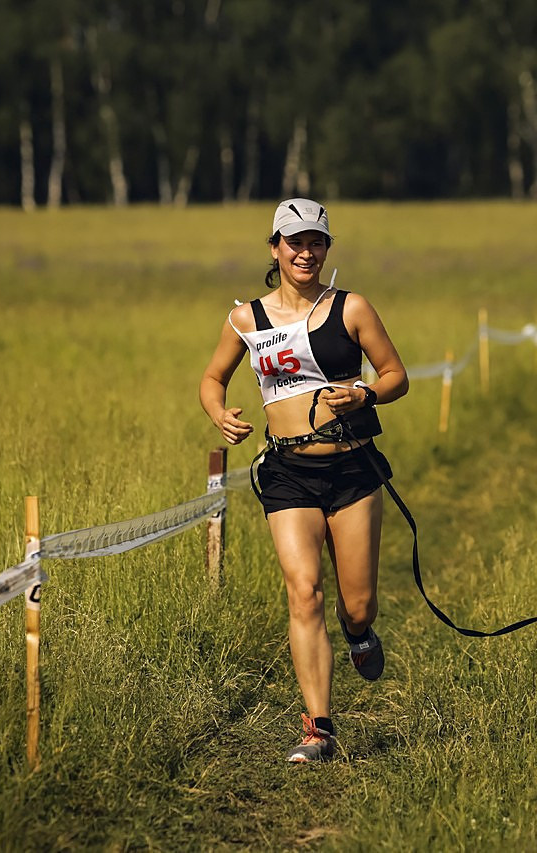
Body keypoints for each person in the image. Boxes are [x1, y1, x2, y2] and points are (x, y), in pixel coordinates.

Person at [199, 198, 409, 763]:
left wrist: (365, 392)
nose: (306, 252)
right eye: (294, 242)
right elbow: (212, 379)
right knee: (304, 592)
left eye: (316, 241)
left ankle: (360, 634)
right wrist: (219, 413)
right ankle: (319, 729)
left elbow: (396, 376)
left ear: (326, 247)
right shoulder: (247, 319)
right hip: (288, 472)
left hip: (351, 470)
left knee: (356, 604)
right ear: (275, 249)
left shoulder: (351, 308)